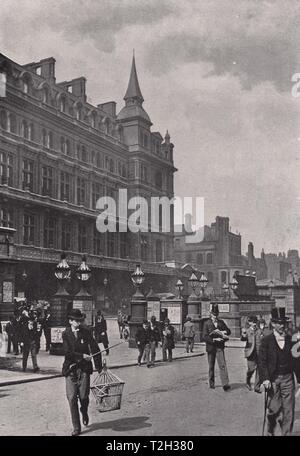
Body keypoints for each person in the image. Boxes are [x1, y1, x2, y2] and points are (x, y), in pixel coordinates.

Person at [258, 307, 300, 436]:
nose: (281, 325)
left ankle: (286, 433)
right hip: (273, 379)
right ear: (273, 324)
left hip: (288, 379)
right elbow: (262, 362)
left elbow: (296, 361)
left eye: (283, 323)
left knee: (289, 410)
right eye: (278, 323)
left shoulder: (291, 339)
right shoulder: (266, 341)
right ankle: (271, 428)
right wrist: (265, 379)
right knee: (273, 409)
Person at [62, 309, 102, 436]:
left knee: (84, 397)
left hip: (84, 369)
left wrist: (99, 367)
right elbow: (67, 352)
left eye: (80, 320)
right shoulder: (66, 334)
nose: (78, 323)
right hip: (70, 369)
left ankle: (84, 411)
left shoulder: (86, 332)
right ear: (70, 321)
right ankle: (76, 427)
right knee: (72, 398)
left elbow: (95, 348)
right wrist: (82, 356)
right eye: (76, 320)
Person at [202, 303, 231, 391]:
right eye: (214, 314)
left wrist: (223, 332)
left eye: (216, 314)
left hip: (219, 347)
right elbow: (205, 336)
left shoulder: (221, 322)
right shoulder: (206, 323)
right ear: (211, 314)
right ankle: (211, 383)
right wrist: (214, 340)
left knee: (222, 365)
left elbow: (228, 331)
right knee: (211, 366)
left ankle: (225, 384)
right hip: (211, 347)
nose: (215, 316)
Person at [241, 315, 262, 392]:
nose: (254, 324)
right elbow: (243, 338)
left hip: (259, 353)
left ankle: (257, 387)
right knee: (251, 369)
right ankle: (248, 380)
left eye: (255, 322)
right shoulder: (247, 331)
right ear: (249, 323)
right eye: (252, 322)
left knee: (260, 370)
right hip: (250, 353)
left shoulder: (260, 331)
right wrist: (243, 335)